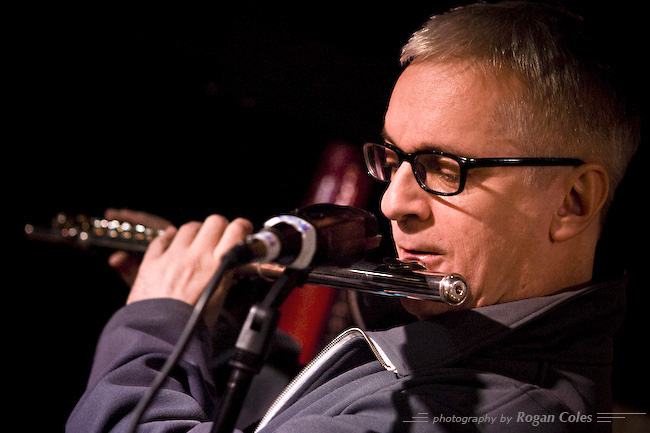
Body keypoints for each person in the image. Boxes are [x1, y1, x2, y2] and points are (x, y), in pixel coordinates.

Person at [66, 1, 640, 432]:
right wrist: (212, 326)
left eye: (445, 168)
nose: (393, 203)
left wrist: (155, 326)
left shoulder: (472, 413)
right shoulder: (447, 340)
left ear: (572, 203)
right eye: (393, 160)